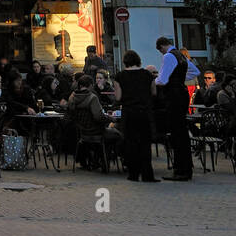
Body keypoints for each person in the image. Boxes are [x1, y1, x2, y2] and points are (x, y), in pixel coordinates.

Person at [113, 51, 158, 182]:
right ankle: (147, 175)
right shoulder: (147, 75)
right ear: (138, 60)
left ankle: (133, 174)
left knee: (131, 144)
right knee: (145, 144)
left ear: (125, 61)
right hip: (145, 113)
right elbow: (154, 92)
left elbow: (118, 97)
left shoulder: (119, 76)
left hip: (129, 113)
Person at [155, 36, 192, 180]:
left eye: (161, 51)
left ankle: (180, 170)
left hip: (174, 96)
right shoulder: (181, 56)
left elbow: (163, 80)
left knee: (176, 134)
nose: (162, 54)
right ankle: (186, 169)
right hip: (182, 94)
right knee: (182, 133)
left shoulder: (169, 56)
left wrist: (153, 80)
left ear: (162, 47)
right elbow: (194, 71)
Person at [68, 74, 120, 168]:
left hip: (82, 132)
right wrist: (111, 118)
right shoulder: (92, 98)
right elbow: (98, 117)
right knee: (117, 134)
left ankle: (96, 160)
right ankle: (106, 161)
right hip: (96, 132)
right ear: (91, 85)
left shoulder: (72, 97)